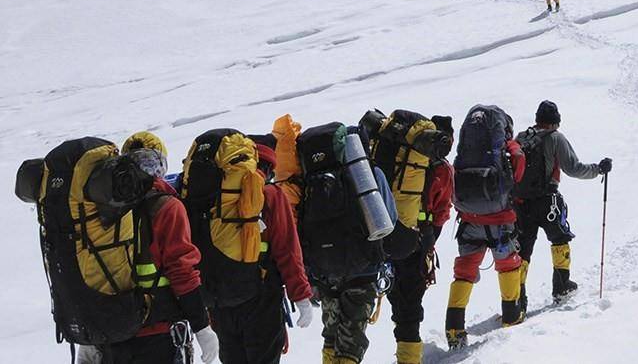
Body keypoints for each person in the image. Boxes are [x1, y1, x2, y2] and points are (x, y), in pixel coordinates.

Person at [74, 144, 220, 364]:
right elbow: (181, 271)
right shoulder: (167, 207)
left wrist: (88, 339)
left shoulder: (101, 209)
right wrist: (202, 327)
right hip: (158, 332)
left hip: (111, 332)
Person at [183, 132, 314, 364]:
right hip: (261, 298)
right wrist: (301, 294)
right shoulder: (270, 194)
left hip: (217, 301)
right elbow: (288, 250)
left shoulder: (206, 199)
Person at [274, 117, 395, 364]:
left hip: (324, 270)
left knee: (331, 336)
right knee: (351, 342)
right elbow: (388, 217)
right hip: (363, 267)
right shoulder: (365, 174)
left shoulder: (305, 180)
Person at [513, 101, 611, 313]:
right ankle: (561, 287)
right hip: (548, 201)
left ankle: (517, 299)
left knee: (523, 249)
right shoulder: (556, 138)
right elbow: (573, 168)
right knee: (560, 239)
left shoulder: (521, 138)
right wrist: (599, 170)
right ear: (555, 121)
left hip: (521, 203)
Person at [375, 114, 454, 364]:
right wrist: (429, 241)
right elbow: (441, 211)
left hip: (383, 233)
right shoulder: (442, 169)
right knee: (409, 306)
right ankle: (408, 359)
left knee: (393, 298)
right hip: (416, 239)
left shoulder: (402, 159)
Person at [446, 106, 526, 349]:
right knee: (508, 265)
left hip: (469, 219)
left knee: (465, 271)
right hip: (499, 219)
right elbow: (519, 166)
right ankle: (512, 318)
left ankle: (454, 329)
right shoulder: (508, 146)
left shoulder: (468, 148)